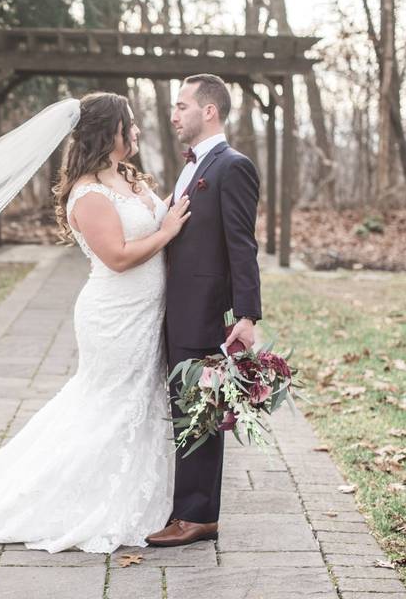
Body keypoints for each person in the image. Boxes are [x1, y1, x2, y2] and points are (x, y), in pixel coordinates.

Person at [0, 91, 191, 553]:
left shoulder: (129, 179)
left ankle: (128, 488)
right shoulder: (88, 193)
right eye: (131, 123)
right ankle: (75, 498)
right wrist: (167, 232)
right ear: (110, 132)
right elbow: (119, 257)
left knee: (137, 400)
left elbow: (153, 218)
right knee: (111, 404)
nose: (138, 130)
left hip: (146, 313)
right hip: (114, 315)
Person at [145, 73, 262, 547]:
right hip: (178, 307)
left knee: (200, 409)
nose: (174, 115)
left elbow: (242, 244)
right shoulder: (192, 163)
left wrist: (247, 316)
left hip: (205, 310)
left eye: (182, 106)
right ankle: (184, 509)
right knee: (184, 407)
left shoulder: (233, 166)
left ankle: (199, 517)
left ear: (208, 111)